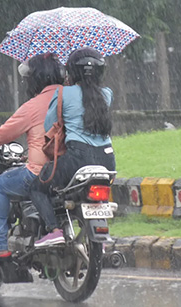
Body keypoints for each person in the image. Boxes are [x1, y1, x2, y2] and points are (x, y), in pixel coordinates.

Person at [0, 53, 65, 262]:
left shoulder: (33, 105)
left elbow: (5, 133)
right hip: (68, 170)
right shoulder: (71, 97)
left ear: (35, 79)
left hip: (40, 171)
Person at [29, 47, 115, 248]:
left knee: (38, 187)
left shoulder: (63, 93)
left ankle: (53, 230)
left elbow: (49, 125)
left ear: (71, 72)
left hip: (77, 160)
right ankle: (97, 236)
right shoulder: (107, 94)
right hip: (107, 161)